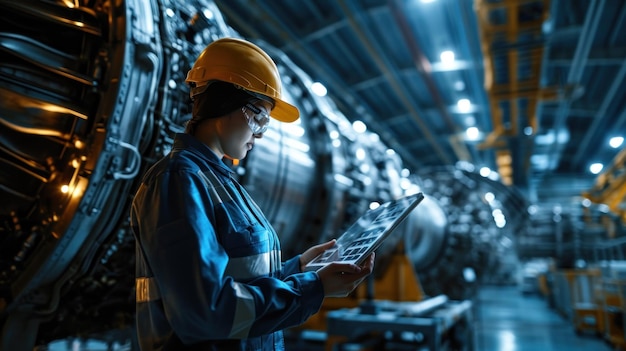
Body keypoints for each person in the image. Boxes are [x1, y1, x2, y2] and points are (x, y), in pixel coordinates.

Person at [130, 37, 375, 351]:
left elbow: (241, 278)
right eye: (258, 116)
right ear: (223, 102)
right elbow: (206, 310)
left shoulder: (219, 181)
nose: (259, 134)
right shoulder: (180, 180)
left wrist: (300, 267)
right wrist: (313, 288)